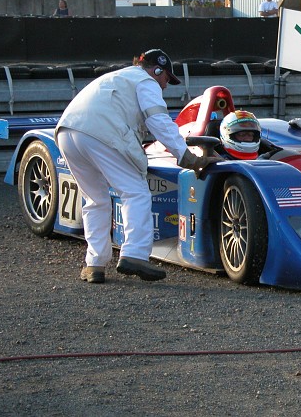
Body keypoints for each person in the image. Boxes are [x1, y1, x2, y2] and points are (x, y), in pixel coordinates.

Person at [55, 49, 218, 284]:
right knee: (136, 193)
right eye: (166, 79)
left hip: (67, 133)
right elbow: (158, 120)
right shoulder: (146, 81)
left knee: (95, 200)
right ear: (157, 70)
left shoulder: (117, 77)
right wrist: (186, 157)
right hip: (101, 132)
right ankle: (134, 255)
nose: (165, 86)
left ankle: (95, 264)